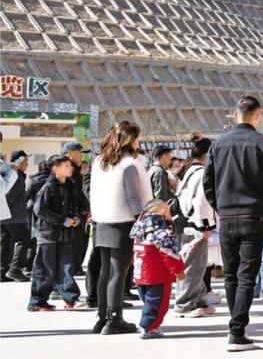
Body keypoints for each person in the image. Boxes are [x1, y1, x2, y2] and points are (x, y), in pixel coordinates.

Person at [203, 96, 263, 352]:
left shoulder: (218, 144)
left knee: (231, 274)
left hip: (227, 217)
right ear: (257, 115)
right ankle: (237, 330)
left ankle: (236, 326)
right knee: (247, 274)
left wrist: (220, 206)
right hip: (254, 216)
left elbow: (208, 182)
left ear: (235, 114)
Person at [90, 120, 152, 335]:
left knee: (106, 272)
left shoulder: (100, 161)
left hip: (103, 221)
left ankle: (102, 318)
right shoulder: (129, 165)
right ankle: (115, 319)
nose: (139, 142)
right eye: (137, 138)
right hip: (124, 222)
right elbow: (134, 197)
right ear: (130, 139)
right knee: (119, 272)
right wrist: (143, 221)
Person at [27, 155, 83, 311]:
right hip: (47, 235)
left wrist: (75, 217)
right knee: (45, 269)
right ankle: (37, 302)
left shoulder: (70, 186)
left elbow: (75, 206)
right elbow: (40, 210)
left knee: (66, 267)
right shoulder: (48, 187)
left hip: (65, 234)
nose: (70, 168)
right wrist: (63, 220)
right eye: (66, 166)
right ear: (55, 169)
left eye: (70, 165)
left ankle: (71, 298)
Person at [173, 135, 217, 318]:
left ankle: (197, 299)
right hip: (196, 223)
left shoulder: (189, 171)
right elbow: (201, 201)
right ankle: (185, 303)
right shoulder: (200, 173)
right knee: (193, 264)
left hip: (188, 222)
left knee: (195, 263)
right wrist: (204, 225)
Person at [130, 199, 186, 339]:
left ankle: (148, 325)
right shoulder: (160, 227)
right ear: (159, 211)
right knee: (158, 303)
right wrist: (178, 269)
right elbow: (168, 251)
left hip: (140, 272)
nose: (169, 213)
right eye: (167, 209)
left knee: (148, 300)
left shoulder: (139, 225)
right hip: (157, 273)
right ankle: (148, 327)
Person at [2, 150, 31, 282]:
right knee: (23, 240)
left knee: (5, 241)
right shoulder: (16, 177)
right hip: (15, 217)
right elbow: (9, 196)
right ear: (18, 162)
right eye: (25, 161)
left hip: (6, 216)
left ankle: (2, 271)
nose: (27, 164)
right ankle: (15, 269)